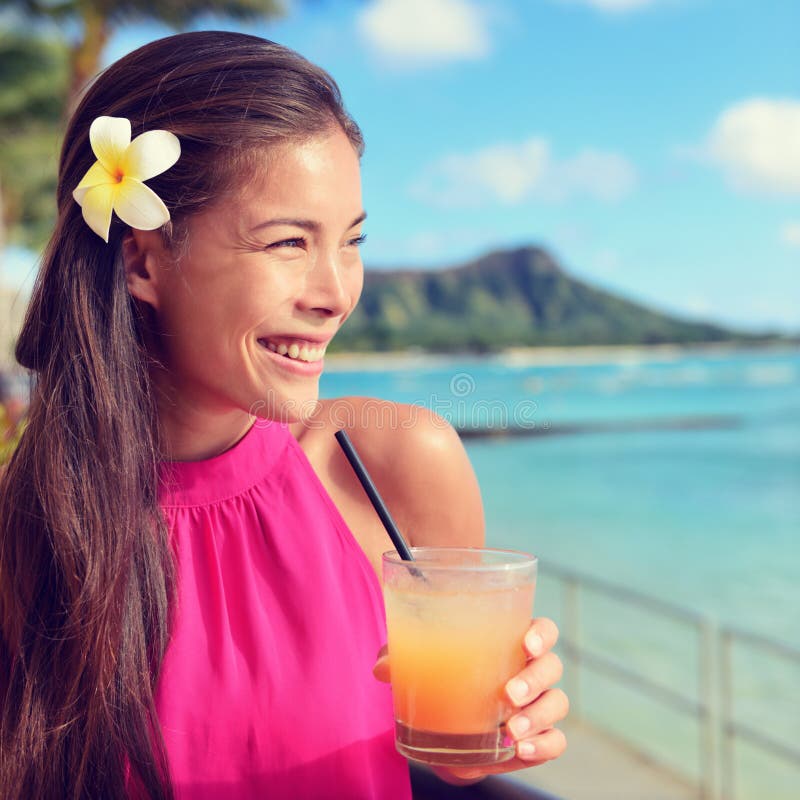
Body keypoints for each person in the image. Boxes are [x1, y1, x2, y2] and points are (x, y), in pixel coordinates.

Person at [0, 31, 568, 799]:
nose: (335, 292)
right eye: (288, 242)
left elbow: (453, 751)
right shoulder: (28, 532)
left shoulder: (395, 467)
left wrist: (487, 739)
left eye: (352, 241)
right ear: (142, 261)